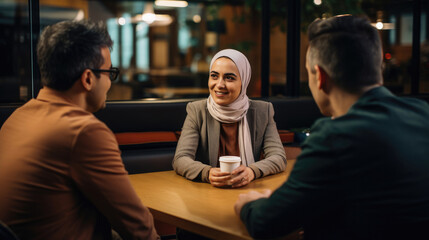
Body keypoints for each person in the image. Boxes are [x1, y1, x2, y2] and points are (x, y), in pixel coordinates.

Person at [234, 15, 429, 240]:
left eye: (308, 72)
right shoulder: (421, 114)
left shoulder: (335, 137)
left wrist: (250, 204)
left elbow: (265, 223)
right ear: (378, 69)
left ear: (321, 78)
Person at [0, 20, 159, 240]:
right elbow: (137, 227)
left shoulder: (18, 117)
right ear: (87, 78)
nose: (110, 84)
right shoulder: (83, 131)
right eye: (109, 73)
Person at [173, 49, 286, 188]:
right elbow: (181, 159)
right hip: (208, 192)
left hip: (248, 188)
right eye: (214, 76)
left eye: (229, 78)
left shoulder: (263, 111)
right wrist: (207, 173)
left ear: (243, 82)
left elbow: (278, 157)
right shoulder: (197, 110)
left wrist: (252, 171)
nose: (219, 84)